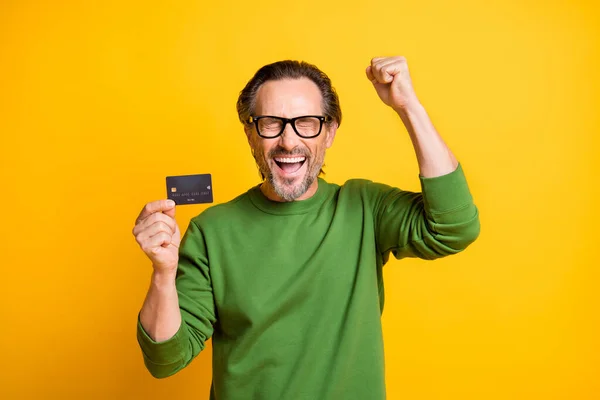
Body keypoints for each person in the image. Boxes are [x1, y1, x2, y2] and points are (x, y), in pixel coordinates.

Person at [132, 56, 480, 399]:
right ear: (251, 134)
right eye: (271, 123)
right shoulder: (212, 231)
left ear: (329, 133)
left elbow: (454, 226)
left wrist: (409, 107)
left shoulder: (363, 208)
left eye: (307, 123)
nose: (288, 140)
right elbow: (166, 359)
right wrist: (163, 274)